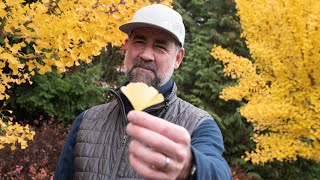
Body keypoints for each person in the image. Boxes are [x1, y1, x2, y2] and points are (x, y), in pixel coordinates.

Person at [54, 4, 232, 180]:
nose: (146, 55)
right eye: (139, 41)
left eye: (160, 47)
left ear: (178, 59)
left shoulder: (199, 125)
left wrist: (190, 167)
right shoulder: (86, 120)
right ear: (126, 46)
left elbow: (220, 172)